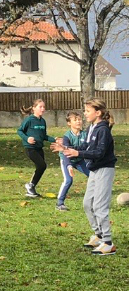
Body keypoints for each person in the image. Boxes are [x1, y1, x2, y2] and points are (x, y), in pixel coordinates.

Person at [51, 98, 117, 255]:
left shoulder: (103, 130)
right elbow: (84, 147)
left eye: (87, 111)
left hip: (104, 170)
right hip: (94, 170)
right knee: (88, 204)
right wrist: (66, 148)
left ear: (98, 113)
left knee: (100, 206)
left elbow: (99, 153)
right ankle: (99, 235)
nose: (85, 114)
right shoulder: (92, 128)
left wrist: (77, 153)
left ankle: (108, 243)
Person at [17, 99, 55, 198]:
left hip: (39, 148)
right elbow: (20, 131)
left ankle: (31, 187)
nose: (43, 109)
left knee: (41, 167)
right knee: (42, 165)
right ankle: (30, 186)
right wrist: (27, 138)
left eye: (44, 107)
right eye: (40, 107)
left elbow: (44, 136)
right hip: (30, 148)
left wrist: (54, 140)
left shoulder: (43, 121)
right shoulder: (29, 120)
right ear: (34, 108)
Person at [54, 111, 89, 211]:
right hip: (67, 160)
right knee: (68, 180)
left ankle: (94, 201)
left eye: (79, 119)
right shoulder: (66, 137)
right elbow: (65, 152)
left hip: (79, 160)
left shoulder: (84, 135)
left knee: (93, 176)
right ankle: (60, 203)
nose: (78, 122)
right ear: (69, 123)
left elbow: (85, 148)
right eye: (75, 120)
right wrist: (69, 166)